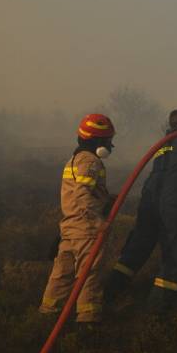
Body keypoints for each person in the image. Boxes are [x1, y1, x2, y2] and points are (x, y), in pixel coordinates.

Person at [104, 109, 177, 313]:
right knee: (175, 253)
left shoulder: (164, 144)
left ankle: (108, 293)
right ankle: (157, 312)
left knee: (137, 248)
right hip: (173, 205)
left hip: (149, 203)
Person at [39, 113, 116, 324]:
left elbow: (79, 194)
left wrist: (107, 199)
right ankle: (87, 323)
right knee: (89, 276)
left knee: (61, 277)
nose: (111, 144)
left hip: (70, 228)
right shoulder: (91, 161)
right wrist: (100, 223)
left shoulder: (74, 160)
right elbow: (83, 195)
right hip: (86, 229)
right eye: (108, 140)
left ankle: (46, 318)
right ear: (98, 141)